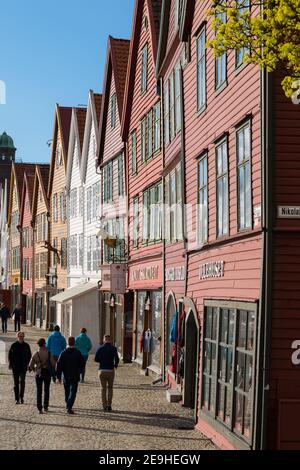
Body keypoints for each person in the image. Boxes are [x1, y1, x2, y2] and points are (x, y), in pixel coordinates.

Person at [56, 336, 84, 415]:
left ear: (68, 343)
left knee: (67, 391)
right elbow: (82, 364)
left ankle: (67, 403)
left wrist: (58, 376)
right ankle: (69, 406)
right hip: (75, 375)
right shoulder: (78, 352)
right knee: (73, 391)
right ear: (74, 343)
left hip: (66, 375)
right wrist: (80, 371)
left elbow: (59, 365)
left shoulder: (63, 353)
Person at [95, 335, 119, 412]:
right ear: (110, 340)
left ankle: (104, 405)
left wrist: (101, 361)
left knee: (103, 389)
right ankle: (109, 405)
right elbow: (117, 359)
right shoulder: (113, 348)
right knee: (110, 388)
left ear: (104, 340)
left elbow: (96, 359)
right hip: (110, 370)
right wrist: (115, 365)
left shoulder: (100, 348)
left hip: (102, 370)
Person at [29, 338, 53, 414]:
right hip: (47, 373)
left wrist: (35, 370)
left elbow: (30, 365)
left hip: (38, 373)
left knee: (39, 391)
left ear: (38, 344)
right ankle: (45, 406)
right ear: (44, 344)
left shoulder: (35, 353)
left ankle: (39, 408)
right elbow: (53, 363)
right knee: (46, 390)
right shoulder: (49, 353)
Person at [8, 331, 32, 404]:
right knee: (16, 384)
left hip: (23, 367)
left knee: (22, 382)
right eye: (20, 336)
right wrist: (10, 364)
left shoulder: (26, 345)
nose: (21, 337)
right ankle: (16, 398)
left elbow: (29, 356)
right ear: (17, 337)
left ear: (24, 337)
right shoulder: (14, 345)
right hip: (15, 367)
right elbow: (10, 356)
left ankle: (21, 397)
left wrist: (29, 365)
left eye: (22, 336)